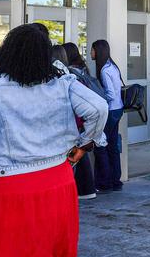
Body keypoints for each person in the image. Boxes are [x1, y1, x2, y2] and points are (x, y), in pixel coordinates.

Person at [0, 23, 107, 257]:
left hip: (8, 184)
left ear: (8, 52)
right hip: (58, 178)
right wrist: (85, 144)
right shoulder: (63, 83)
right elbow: (98, 108)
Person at [62, 41, 98, 201]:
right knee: (81, 154)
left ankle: (81, 190)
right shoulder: (83, 69)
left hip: (76, 119)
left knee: (75, 156)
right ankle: (87, 189)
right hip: (83, 119)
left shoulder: (70, 73)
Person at [91, 39, 125, 192]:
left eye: (92, 50)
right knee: (112, 145)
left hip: (110, 111)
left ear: (98, 51)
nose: (90, 53)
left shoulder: (104, 70)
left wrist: (97, 97)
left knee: (101, 145)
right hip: (118, 109)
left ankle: (104, 182)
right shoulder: (112, 66)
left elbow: (110, 94)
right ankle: (115, 180)